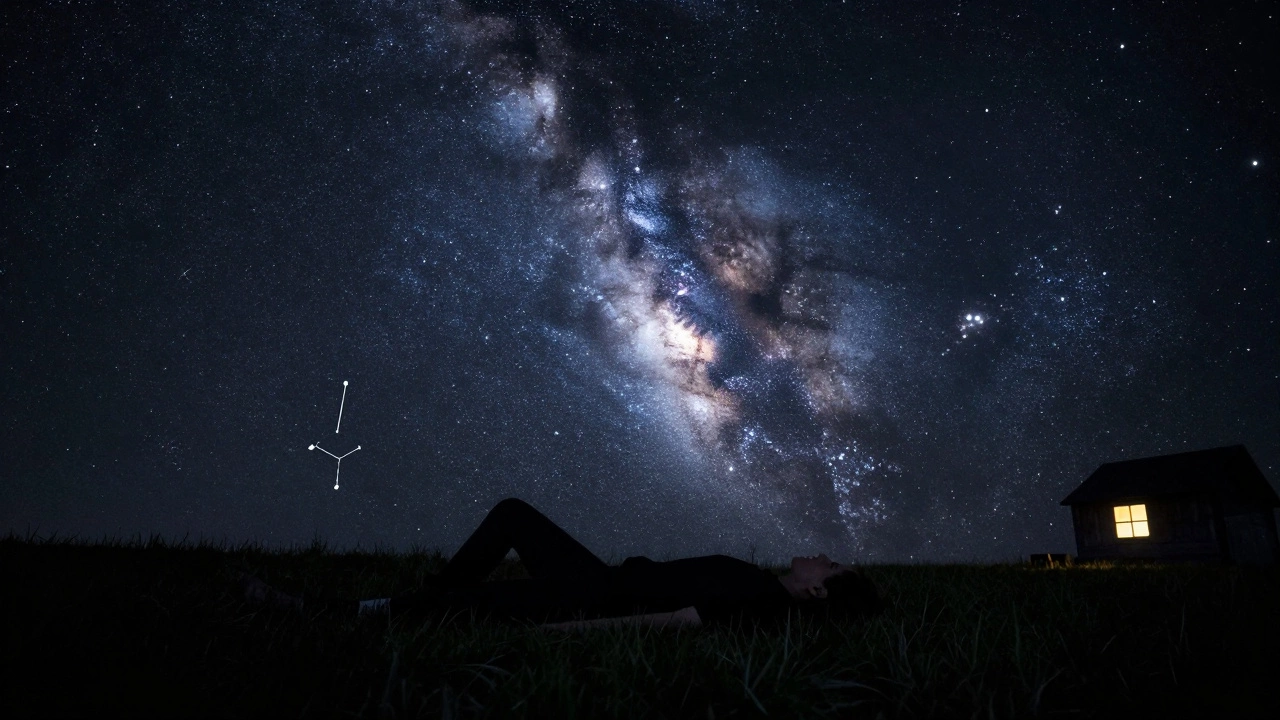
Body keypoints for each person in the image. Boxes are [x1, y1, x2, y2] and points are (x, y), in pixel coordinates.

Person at [240, 497, 882, 630]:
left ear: (818, 594)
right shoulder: (760, 581)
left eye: (833, 566)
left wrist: (555, 633)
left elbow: (676, 620)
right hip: (598, 578)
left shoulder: (760, 600)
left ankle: (326, 615)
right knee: (514, 514)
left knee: (468, 611)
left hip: (591, 599)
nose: (824, 555)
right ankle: (430, 596)